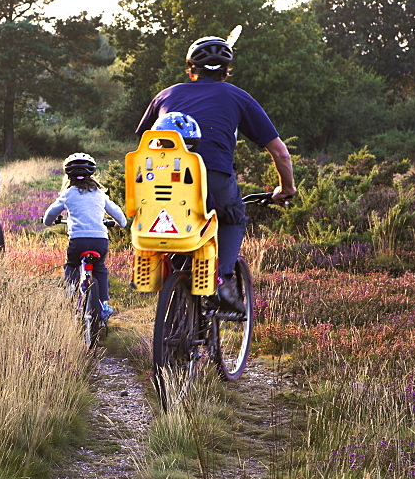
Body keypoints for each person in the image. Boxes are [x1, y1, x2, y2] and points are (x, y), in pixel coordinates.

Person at [136, 35, 296, 313]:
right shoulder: (238, 97)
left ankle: (166, 272)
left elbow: (142, 145)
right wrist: (286, 189)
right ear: (226, 71)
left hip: (160, 179)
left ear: (190, 70)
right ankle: (222, 278)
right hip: (214, 177)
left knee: (170, 222)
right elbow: (280, 152)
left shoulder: (167, 95)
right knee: (232, 218)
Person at [42, 153, 128, 320]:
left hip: (78, 241)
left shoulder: (67, 194)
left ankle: (70, 293)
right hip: (100, 241)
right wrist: (119, 223)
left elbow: (49, 216)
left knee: (72, 265)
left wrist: (49, 222)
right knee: (100, 269)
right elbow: (120, 217)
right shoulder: (100, 194)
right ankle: (104, 305)